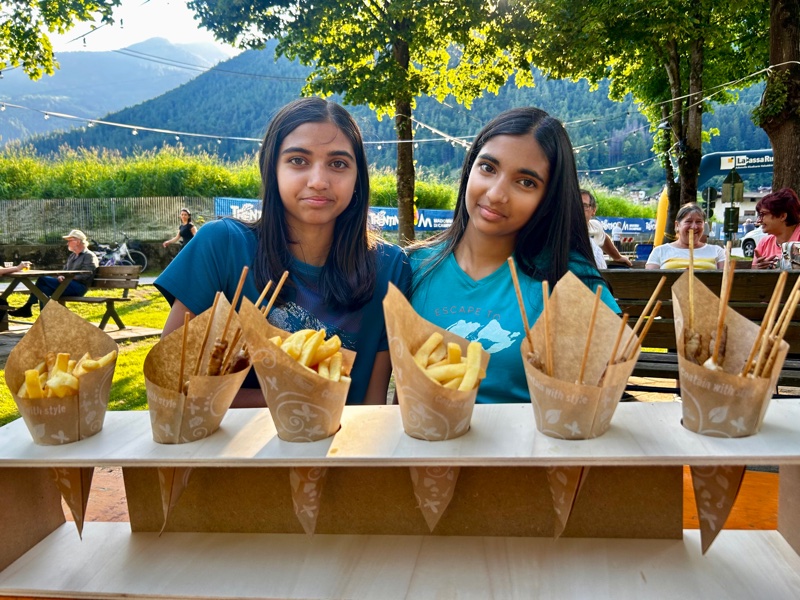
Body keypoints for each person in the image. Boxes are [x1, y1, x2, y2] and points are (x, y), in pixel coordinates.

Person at [155, 97, 411, 407]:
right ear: (272, 168)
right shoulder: (222, 246)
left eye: (338, 164)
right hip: (231, 440)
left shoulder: (389, 266)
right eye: (298, 160)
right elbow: (169, 382)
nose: (318, 181)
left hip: (344, 439)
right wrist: (299, 397)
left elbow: (372, 404)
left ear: (358, 177)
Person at [408, 107, 619, 404]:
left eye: (526, 182)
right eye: (488, 168)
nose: (496, 194)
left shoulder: (569, 279)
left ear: (549, 199)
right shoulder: (412, 267)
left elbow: (600, 395)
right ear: (469, 168)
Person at [9, 229, 99, 318]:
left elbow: (86, 274)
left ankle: (27, 307)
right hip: (66, 284)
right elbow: (64, 271)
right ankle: (44, 319)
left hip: (78, 288)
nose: (67, 243)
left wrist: (68, 278)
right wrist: (61, 276)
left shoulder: (89, 256)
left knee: (42, 279)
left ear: (78, 241)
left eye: (69, 241)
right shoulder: (72, 256)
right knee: (44, 290)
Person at [645, 203, 725, 270]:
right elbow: (650, 280)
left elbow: (726, 280)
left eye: (699, 222)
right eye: (688, 221)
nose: (694, 227)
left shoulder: (717, 251)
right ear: (677, 225)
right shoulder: (660, 251)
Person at [751, 188, 800, 270]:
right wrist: (758, 270)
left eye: (763, 214)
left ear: (782, 216)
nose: (759, 220)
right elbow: (752, 274)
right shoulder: (764, 243)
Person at [582, 190, 632, 267]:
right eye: (574, 205)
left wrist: (617, 257)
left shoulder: (595, 226)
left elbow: (604, 238)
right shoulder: (564, 230)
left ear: (593, 210)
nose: (578, 209)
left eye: (584, 206)